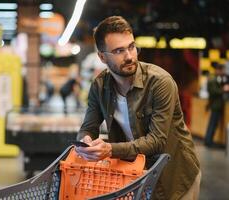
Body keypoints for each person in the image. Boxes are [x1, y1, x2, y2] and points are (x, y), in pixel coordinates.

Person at [75, 16, 201, 200]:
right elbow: (88, 127)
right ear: (102, 57)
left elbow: (157, 141)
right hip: (136, 176)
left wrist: (109, 149)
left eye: (131, 47)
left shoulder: (160, 83)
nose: (129, 56)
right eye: (119, 51)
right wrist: (85, 142)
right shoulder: (100, 86)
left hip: (176, 177)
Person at [204, 62, 229, 147]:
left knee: (213, 123)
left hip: (215, 105)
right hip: (216, 105)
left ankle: (208, 140)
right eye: (221, 70)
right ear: (218, 70)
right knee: (213, 124)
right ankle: (208, 141)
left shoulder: (214, 79)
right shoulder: (213, 80)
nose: (223, 72)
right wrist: (224, 89)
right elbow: (214, 92)